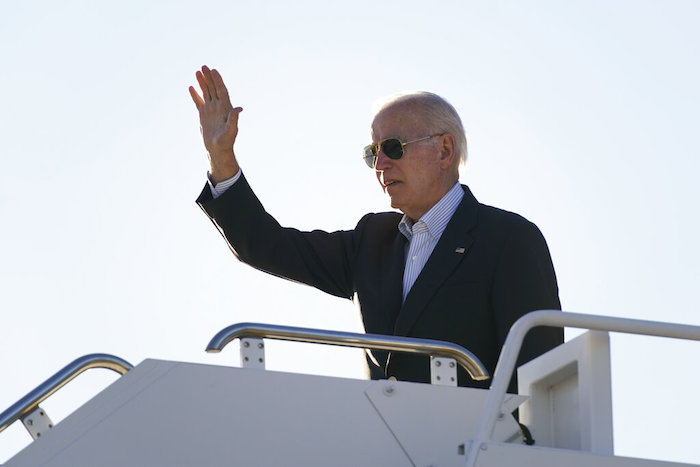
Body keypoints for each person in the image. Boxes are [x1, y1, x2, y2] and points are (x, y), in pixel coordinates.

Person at [191, 65, 562, 392]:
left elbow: (537, 371)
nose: (381, 163)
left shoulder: (508, 238)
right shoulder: (372, 241)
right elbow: (266, 245)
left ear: (445, 151)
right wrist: (220, 157)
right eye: (373, 153)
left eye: (394, 147)